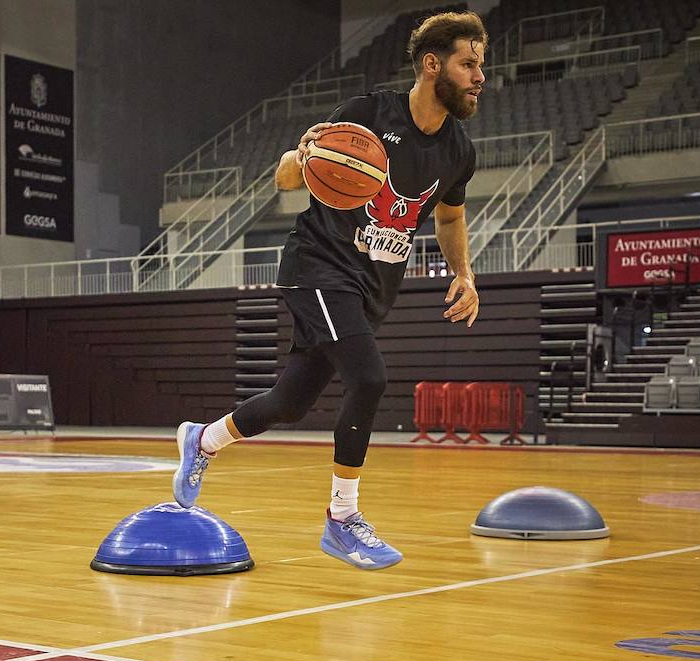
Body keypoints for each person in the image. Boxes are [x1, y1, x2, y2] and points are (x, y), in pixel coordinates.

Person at [172, 11, 486, 569]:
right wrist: (301, 157)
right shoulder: (367, 116)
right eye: (468, 64)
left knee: (290, 403)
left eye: (480, 65)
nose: (479, 75)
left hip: (369, 287)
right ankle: (342, 520)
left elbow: (449, 219)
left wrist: (463, 273)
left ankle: (203, 440)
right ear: (432, 65)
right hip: (316, 267)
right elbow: (288, 180)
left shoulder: (459, 150)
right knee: (368, 377)